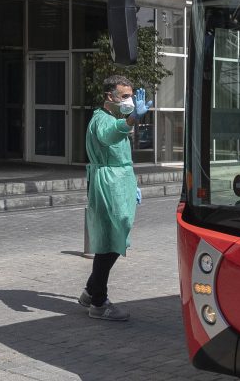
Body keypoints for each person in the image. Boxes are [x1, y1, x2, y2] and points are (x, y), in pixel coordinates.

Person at [77, 75, 148, 322]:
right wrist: (132, 118)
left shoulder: (112, 118)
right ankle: (98, 302)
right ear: (110, 97)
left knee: (116, 234)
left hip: (120, 180)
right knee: (111, 240)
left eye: (130, 95)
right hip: (109, 182)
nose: (128, 100)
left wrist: (132, 183)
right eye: (124, 96)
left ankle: (90, 291)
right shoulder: (102, 119)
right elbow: (110, 136)